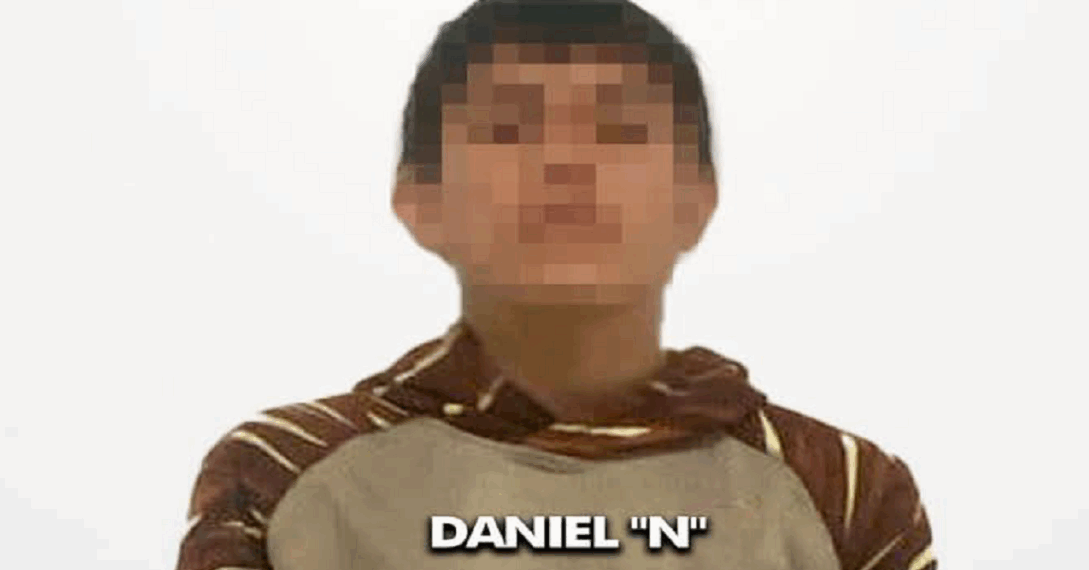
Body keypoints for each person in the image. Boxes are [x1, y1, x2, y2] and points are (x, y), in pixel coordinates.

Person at [175, 1, 937, 568]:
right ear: (419, 201)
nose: (568, 162)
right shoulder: (282, 473)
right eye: (509, 129)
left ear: (696, 201)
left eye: (620, 130)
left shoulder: (841, 488)